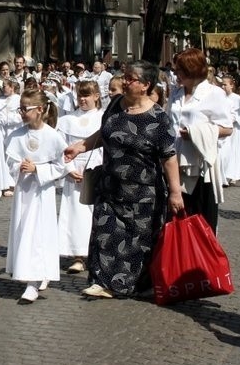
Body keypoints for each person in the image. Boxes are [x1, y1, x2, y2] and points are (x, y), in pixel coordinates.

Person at [65, 61, 184, 299]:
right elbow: (105, 131)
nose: (125, 81)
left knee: (136, 242)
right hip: (110, 184)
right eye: (126, 76)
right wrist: (82, 146)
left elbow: (169, 157)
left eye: (131, 78)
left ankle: (133, 285)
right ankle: (103, 281)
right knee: (105, 232)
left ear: (145, 85)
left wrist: (175, 191)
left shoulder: (158, 118)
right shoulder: (116, 105)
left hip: (143, 192)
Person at [4, 88, 64, 303]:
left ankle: (34, 281)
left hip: (42, 192)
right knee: (23, 229)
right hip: (24, 192)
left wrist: (38, 169)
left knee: (38, 232)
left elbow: (61, 165)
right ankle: (29, 272)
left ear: (39, 110)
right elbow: (10, 159)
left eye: (25, 109)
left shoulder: (53, 136)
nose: (21, 113)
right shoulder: (17, 135)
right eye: (19, 108)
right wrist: (19, 165)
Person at [167, 48, 233, 232]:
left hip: (200, 164)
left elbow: (227, 128)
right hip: (175, 160)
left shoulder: (214, 94)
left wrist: (195, 132)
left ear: (191, 70)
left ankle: (202, 257)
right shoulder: (176, 93)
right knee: (177, 215)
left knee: (201, 216)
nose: (176, 74)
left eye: (179, 70)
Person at [56, 80, 103, 275]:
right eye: (80, 95)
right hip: (74, 171)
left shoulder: (102, 118)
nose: (82, 99)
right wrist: (69, 169)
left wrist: (95, 168)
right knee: (76, 213)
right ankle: (78, 255)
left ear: (96, 96)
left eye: (87, 95)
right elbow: (59, 147)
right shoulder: (67, 120)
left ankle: (97, 255)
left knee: (96, 213)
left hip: (96, 169)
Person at [219, 75, 240, 186]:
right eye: (221, 84)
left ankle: (232, 175)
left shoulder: (239, 100)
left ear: (231, 85)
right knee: (223, 153)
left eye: (225, 84)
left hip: (235, 129)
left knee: (233, 152)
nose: (223, 87)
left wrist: (235, 119)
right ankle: (222, 175)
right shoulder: (219, 97)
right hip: (223, 128)